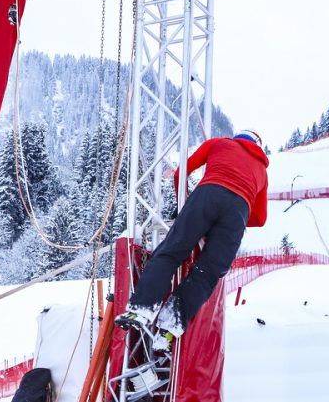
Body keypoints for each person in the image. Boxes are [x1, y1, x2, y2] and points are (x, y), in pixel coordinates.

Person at [115, 130, 269, 351]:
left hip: (208, 194)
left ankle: (141, 308)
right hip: (238, 212)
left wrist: (185, 205)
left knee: (171, 252)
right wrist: (234, 218)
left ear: (237, 137)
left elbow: (181, 173)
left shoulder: (218, 143)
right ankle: (170, 327)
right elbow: (260, 219)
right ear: (258, 146)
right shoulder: (262, 171)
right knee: (208, 273)